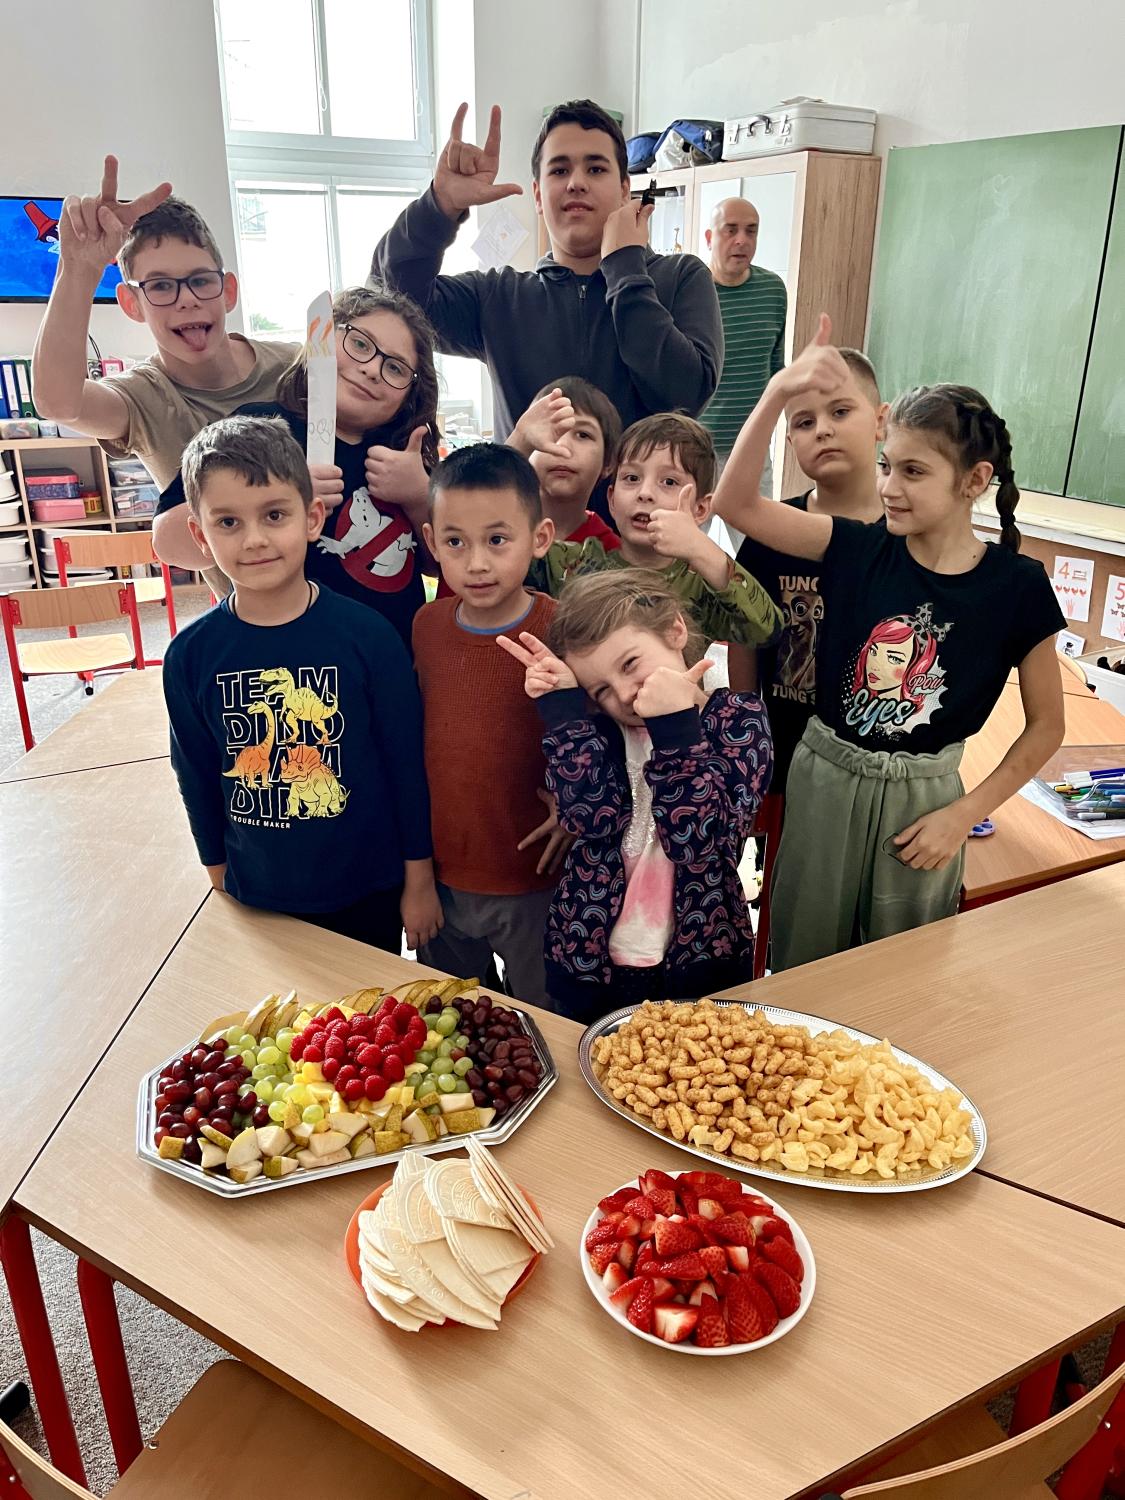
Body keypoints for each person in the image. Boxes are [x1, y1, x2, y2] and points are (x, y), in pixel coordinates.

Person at [715, 317, 1066, 970]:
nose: (888, 487)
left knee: (904, 975)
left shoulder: (1016, 587)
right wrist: (777, 391)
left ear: (973, 480)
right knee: (804, 967)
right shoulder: (856, 547)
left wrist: (964, 813)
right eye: (886, 466)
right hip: (824, 783)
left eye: (912, 471)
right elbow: (735, 504)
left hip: (926, 802)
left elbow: (1047, 725)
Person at [162, 415, 441, 953]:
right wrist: (217, 874)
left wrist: (419, 879)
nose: (255, 540)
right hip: (257, 890)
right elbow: (194, 773)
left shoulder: (369, 637)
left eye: (274, 515)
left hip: (368, 888)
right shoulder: (189, 656)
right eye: (228, 522)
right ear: (200, 535)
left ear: (312, 518)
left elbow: (407, 768)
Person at [498, 569, 772, 1023]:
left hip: (700, 961)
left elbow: (700, 841)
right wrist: (564, 709)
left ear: (675, 630)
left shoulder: (737, 720)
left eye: (629, 664)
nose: (624, 694)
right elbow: (588, 818)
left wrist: (675, 729)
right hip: (589, 962)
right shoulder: (602, 731)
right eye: (601, 690)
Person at [371, 100, 722, 438]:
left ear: (624, 190)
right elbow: (390, 297)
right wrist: (439, 206)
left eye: (596, 169)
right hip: (522, 484)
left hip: (641, 484)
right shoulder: (498, 298)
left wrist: (625, 269)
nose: (576, 183)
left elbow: (685, 398)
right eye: (560, 170)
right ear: (538, 195)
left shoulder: (680, 277)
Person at [153, 285, 439, 653]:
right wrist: (277, 497)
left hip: (394, 661)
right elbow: (168, 543)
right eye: (360, 343)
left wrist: (418, 498)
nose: (371, 369)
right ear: (325, 339)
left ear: (411, 393)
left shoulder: (408, 453)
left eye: (396, 367)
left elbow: (440, 565)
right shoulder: (258, 429)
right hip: (290, 660)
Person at [32, 156, 297, 490]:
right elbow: (58, 403)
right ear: (132, 304)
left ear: (228, 291)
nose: (187, 299)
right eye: (160, 286)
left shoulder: (294, 366)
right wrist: (79, 269)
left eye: (200, 280)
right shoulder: (143, 397)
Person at [413, 443, 565, 1007]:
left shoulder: (562, 628)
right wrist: (417, 878)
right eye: (456, 542)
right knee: (453, 1022)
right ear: (432, 543)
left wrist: (578, 810)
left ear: (539, 538)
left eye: (497, 540)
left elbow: (603, 736)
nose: (476, 563)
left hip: (536, 878)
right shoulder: (426, 626)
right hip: (445, 876)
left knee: (543, 1017)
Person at [721, 347, 887, 789]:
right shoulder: (770, 532)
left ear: (881, 421)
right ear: (790, 442)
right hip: (785, 758)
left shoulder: (909, 535)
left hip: (876, 767)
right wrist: (745, 738)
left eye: (841, 411)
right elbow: (745, 636)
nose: (824, 430)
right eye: (804, 422)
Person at [532, 412, 782, 648]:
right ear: (611, 499)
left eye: (669, 482)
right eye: (632, 478)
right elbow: (512, 545)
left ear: (700, 509)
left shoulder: (700, 585)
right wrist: (522, 443)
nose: (645, 493)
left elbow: (767, 629)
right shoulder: (573, 563)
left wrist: (702, 549)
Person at [701, 197, 788, 495]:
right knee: (687, 527)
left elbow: (776, 367)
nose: (742, 240)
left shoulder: (773, 290)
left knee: (759, 528)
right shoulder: (691, 293)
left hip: (753, 447)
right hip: (697, 449)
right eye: (731, 230)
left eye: (751, 231)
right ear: (710, 238)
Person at [509, 376, 622, 546]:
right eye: (548, 430)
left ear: (608, 463)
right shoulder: (495, 526)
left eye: (583, 435)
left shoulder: (611, 552)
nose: (562, 446)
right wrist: (518, 441)